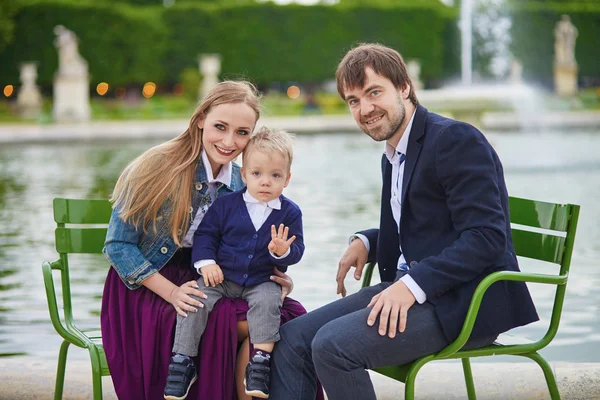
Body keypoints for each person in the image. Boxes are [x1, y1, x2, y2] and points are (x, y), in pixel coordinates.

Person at [269, 43, 540, 400]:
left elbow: (487, 238)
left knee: (333, 347)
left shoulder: (455, 140)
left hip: (466, 301)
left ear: (404, 87)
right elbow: (427, 226)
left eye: (374, 92)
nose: (365, 109)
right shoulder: (394, 154)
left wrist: (412, 284)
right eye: (353, 100)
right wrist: (367, 241)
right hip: (416, 290)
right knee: (291, 338)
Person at [100, 81, 319, 400]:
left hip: (214, 278)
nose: (230, 141)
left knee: (291, 316)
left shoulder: (243, 178)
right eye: (220, 127)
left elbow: (254, 244)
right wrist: (173, 293)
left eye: (242, 133)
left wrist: (274, 274)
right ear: (201, 118)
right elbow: (117, 246)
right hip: (149, 286)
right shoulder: (156, 166)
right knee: (239, 325)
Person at [165, 128, 303, 400]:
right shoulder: (226, 205)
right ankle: (183, 361)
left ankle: (260, 362)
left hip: (261, 280)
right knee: (197, 299)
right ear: (244, 174)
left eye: (275, 175)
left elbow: (297, 250)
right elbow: (206, 234)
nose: (265, 182)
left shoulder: (290, 212)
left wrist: (281, 252)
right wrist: (206, 263)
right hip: (221, 277)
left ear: (286, 179)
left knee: (268, 302)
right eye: (257, 174)